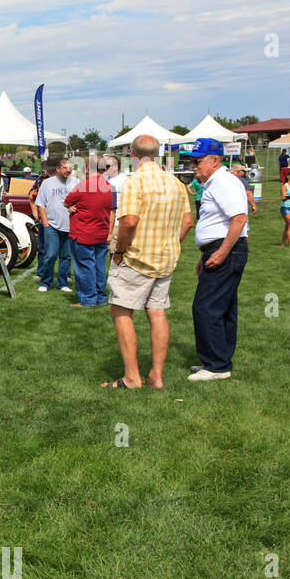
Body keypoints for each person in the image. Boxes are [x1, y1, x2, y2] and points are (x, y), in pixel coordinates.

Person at [102, 135, 192, 390]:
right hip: (165, 259)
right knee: (157, 312)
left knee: (121, 310)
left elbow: (129, 221)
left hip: (137, 258)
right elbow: (187, 221)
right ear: (158, 154)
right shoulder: (175, 182)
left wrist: (119, 250)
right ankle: (156, 376)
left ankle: (132, 378)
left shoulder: (135, 181)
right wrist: (172, 243)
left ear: (132, 154)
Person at [187, 138, 249, 381]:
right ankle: (218, 360)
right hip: (221, 249)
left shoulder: (223, 182)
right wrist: (207, 253)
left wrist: (221, 252)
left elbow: (239, 219)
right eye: (192, 161)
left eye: (198, 161)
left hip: (227, 250)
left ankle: (216, 365)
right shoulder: (216, 182)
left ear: (215, 161)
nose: (193, 166)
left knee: (206, 307)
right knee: (222, 307)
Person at [65, 165, 115, 307]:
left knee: (84, 267)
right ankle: (100, 297)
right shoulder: (110, 187)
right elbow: (112, 211)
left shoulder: (83, 185)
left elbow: (67, 201)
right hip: (101, 232)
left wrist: (70, 206)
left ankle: (88, 299)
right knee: (99, 266)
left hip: (83, 233)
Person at [35, 155, 74, 292]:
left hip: (70, 226)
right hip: (51, 225)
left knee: (66, 256)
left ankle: (63, 283)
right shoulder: (47, 183)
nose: (68, 170)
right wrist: (45, 223)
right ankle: (45, 282)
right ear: (58, 169)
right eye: (65, 168)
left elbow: (81, 202)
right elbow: (40, 204)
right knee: (50, 255)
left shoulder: (76, 183)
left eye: (70, 168)